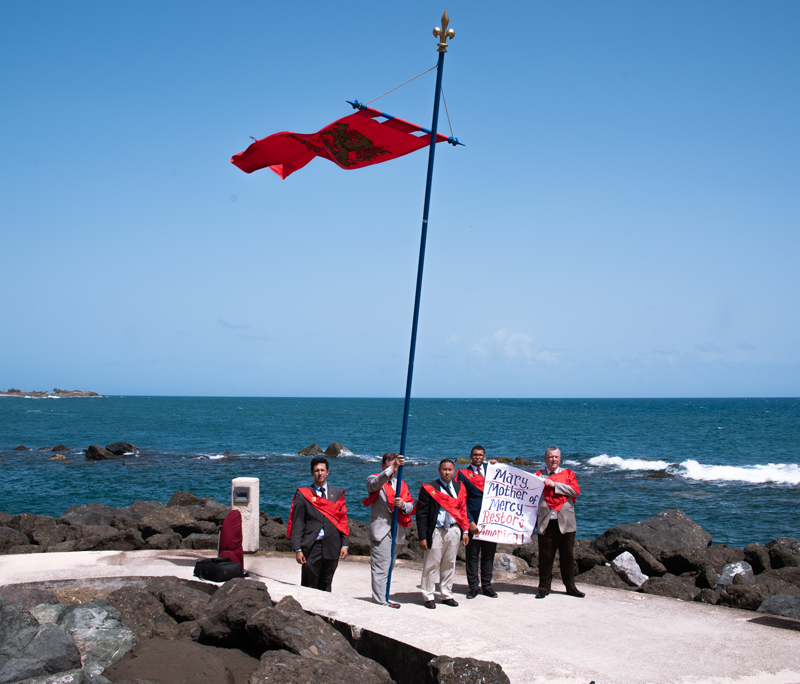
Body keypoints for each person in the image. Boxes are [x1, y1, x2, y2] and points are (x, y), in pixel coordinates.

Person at [288, 456, 349, 592]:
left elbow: (342, 520)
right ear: (311, 473)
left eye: (322, 470)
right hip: (311, 546)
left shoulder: (337, 493)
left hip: (332, 545)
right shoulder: (304, 495)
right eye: (316, 470)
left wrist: (344, 544)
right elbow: (298, 523)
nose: (319, 473)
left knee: (326, 585)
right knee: (310, 586)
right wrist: (297, 549)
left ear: (328, 472)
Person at [415, 459, 470, 609]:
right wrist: (422, 537)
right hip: (436, 531)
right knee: (431, 564)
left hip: (453, 530)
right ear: (439, 470)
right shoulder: (430, 488)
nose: (447, 472)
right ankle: (428, 595)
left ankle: (446, 594)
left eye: (450, 469)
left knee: (449, 564)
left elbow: (463, 510)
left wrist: (465, 531)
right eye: (444, 469)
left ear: (454, 470)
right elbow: (421, 514)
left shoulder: (459, 487)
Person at [363, 452, 415, 608]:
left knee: (389, 566)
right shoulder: (373, 479)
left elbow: (411, 506)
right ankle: (380, 602)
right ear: (383, 466)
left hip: (398, 530)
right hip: (381, 531)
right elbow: (376, 483)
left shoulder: (401, 485)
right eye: (390, 466)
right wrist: (392, 468)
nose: (394, 470)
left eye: (396, 467)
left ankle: (384, 597)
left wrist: (403, 505)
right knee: (380, 566)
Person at [534, 446, 585, 599]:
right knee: (545, 558)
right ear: (545, 459)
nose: (553, 459)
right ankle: (543, 587)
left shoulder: (568, 474)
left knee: (568, 557)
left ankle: (570, 587)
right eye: (550, 457)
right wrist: (496, 467)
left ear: (560, 459)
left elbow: (575, 491)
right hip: (546, 522)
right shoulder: (537, 476)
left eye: (556, 457)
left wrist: (554, 485)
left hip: (566, 523)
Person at [456, 445, 498, 598]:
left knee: (489, 554)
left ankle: (487, 586)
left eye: (480, 455)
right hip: (473, 520)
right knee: (472, 555)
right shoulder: (463, 474)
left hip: (491, 521)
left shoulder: (493, 471)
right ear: (470, 456)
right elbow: (462, 500)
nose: (478, 457)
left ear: (485, 456)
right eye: (475, 455)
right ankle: (473, 587)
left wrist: (497, 465)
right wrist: (469, 522)